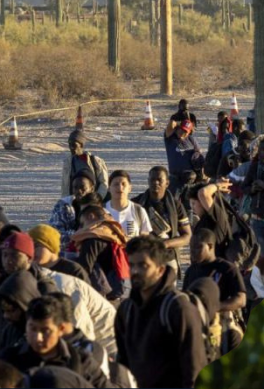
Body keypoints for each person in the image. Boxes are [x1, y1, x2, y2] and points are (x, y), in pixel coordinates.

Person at [116, 236, 208, 389]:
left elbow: (194, 368)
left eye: (143, 265)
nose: (135, 271)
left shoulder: (177, 308)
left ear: (160, 270)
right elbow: (123, 363)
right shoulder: (126, 310)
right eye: (131, 265)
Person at [133, 166, 192, 276]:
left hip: (167, 256)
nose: (155, 182)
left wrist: (165, 244)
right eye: (152, 179)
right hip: (143, 255)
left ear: (167, 183)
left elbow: (187, 236)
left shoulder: (175, 206)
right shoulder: (136, 204)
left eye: (159, 180)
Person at [50, 170, 99, 248]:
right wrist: (82, 234)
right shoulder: (63, 206)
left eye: (83, 188)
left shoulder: (99, 209)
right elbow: (55, 234)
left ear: (92, 188)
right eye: (75, 188)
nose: (78, 191)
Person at [61, 130, 109, 199]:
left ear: (81, 145)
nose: (71, 148)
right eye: (70, 145)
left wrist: (97, 199)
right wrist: (66, 201)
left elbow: (104, 183)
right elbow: (65, 186)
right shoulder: (68, 163)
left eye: (74, 145)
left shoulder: (96, 161)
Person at [105, 170, 153, 239]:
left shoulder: (139, 210)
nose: (120, 187)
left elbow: (144, 240)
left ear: (130, 188)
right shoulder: (101, 210)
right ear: (109, 188)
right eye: (116, 184)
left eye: (123, 184)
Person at [163, 120, 204, 190]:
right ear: (178, 128)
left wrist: (196, 153)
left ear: (189, 132)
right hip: (175, 178)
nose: (182, 133)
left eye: (185, 131)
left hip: (190, 177)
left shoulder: (190, 139)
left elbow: (199, 151)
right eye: (181, 130)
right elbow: (171, 123)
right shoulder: (171, 137)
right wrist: (176, 121)